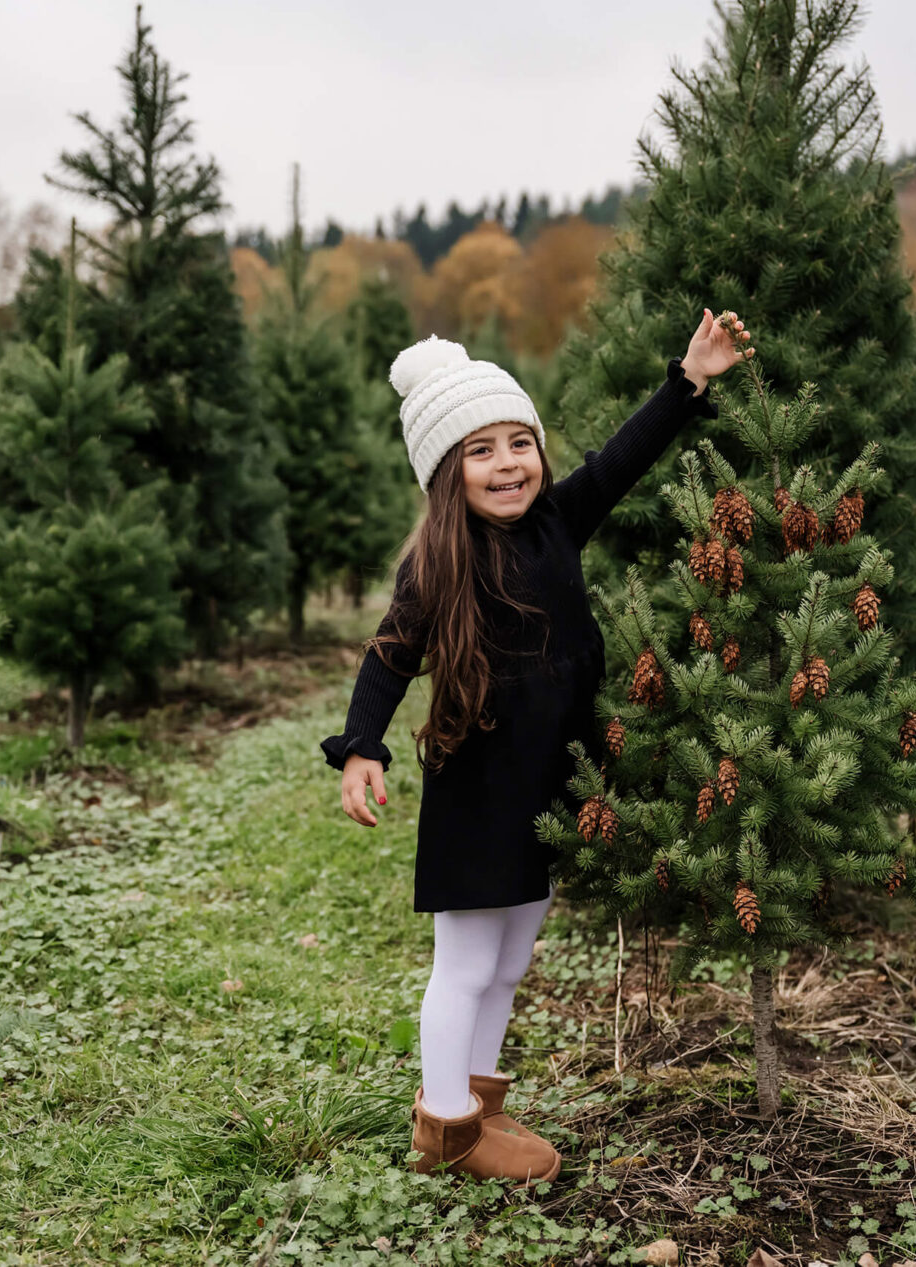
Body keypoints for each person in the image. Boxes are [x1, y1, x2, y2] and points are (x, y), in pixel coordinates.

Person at [322, 311, 752, 1182]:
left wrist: (689, 381)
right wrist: (360, 744)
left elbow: (621, 460)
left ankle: (479, 1103)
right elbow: (389, 655)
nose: (509, 462)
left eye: (520, 441)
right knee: (468, 962)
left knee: (512, 959)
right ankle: (443, 1126)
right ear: (446, 473)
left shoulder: (559, 518)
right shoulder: (439, 560)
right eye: (481, 451)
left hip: (550, 776)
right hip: (479, 786)